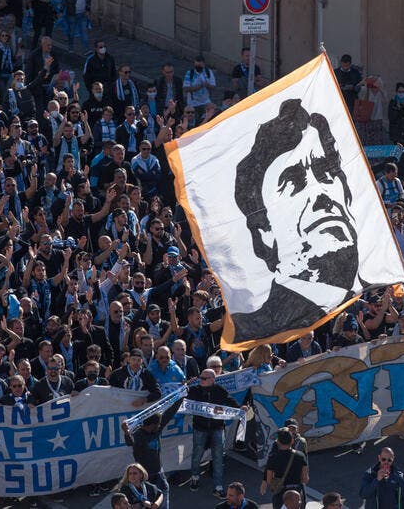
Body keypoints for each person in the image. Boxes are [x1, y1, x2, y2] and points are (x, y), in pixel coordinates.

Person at [231, 99, 366, 341]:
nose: (320, 195)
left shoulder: (372, 297)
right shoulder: (250, 332)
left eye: (325, 173)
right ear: (265, 232)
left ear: (346, 194)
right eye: (293, 183)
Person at [188, 368, 246, 496]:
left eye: (204, 378)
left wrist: (239, 408)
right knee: (197, 455)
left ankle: (218, 486)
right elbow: (183, 399)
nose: (200, 380)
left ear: (212, 379)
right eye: (200, 378)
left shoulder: (219, 390)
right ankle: (195, 478)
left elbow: (230, 400)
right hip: (200, 428)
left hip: (217, 429)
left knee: (218, 458)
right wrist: (185, 385)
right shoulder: (194, 390)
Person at [120, 394, 184, 507]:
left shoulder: (156, 430)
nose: (160, 426)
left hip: (159, 471)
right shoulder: (138, 434)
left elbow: (169, 413)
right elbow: (130, 442)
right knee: (150, 500)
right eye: (158, 424)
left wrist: (181, 395)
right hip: (145, 475)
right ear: (152, 425)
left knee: (164, 491)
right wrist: (126, 433)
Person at [263, 428, 309, 509]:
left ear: (277, 442)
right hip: (297, 493)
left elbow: (269, 480)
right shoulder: (300, 456)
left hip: (280, 494)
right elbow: (305, 479)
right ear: (292, 441)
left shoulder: (273, 457)